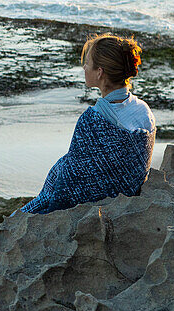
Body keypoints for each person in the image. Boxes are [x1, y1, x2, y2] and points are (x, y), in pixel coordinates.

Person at [19, 33, 156, 214]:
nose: (84, 67)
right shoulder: (144, 111)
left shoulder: (93, 121)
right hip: (126, 196)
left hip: (94, 205)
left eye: (88, 63)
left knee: (24, 214)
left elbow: (72, 180)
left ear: (100, 72)